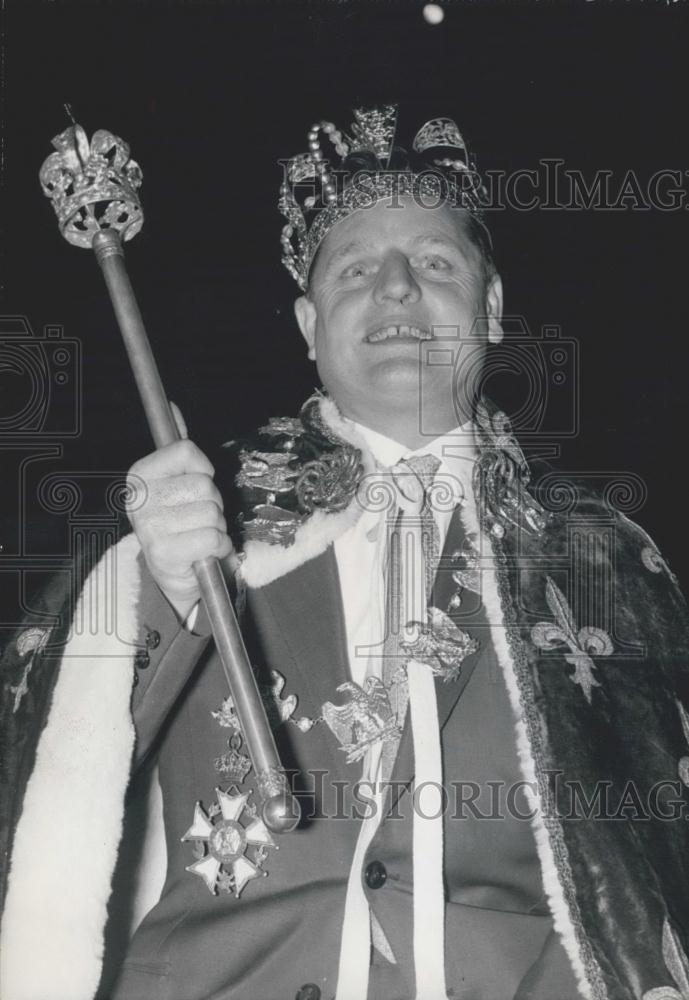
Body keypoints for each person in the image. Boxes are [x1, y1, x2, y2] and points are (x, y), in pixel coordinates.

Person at [3, 104, 689, 1000]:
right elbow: (47, 779)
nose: (396, 287)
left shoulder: (602, 560)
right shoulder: (194, 520)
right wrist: (150, 590)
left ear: (489, 309)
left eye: (435, 262)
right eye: (356, 268)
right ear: (306, 323)